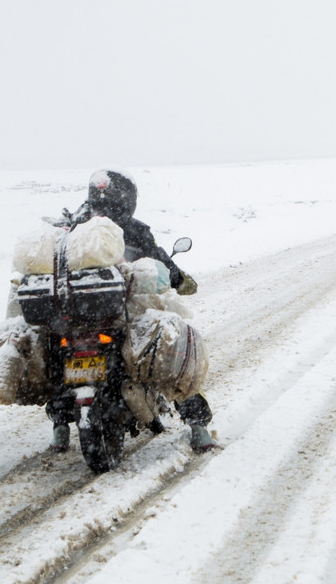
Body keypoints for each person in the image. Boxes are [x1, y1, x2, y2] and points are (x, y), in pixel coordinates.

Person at [48, 168, 215, 454]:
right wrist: (178, 278)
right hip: (122, 318)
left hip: (74, 317)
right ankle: (198, 426)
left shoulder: (73, 230)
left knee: (55, 357)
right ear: (126, 198)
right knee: (172, 348)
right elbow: (162, 263)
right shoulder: (134, 229)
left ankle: (60, 428)